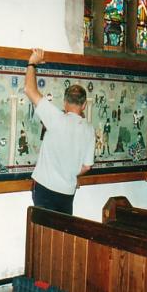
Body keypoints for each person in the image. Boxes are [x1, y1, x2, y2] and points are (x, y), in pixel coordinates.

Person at [24, 48, 95, 215]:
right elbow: (87, 166)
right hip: (67, 193)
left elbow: (29, 89)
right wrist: (70, 173)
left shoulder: (55, 118)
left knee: (42, 235)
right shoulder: (89, 130)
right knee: (61, 237)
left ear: (64, 102)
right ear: (84, 105)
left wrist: (32, 63)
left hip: (44, 189)